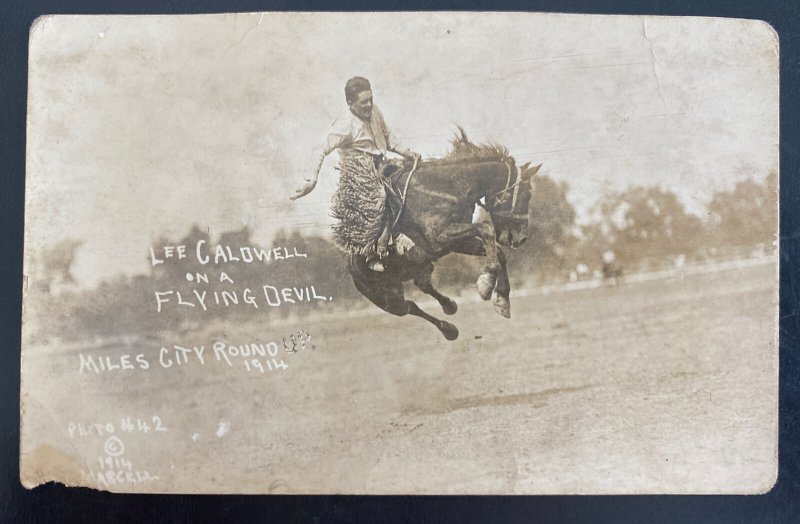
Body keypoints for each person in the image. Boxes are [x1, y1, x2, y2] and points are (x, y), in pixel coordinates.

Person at [291, 77, 419, 271]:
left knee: (409, 184)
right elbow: (320, 148)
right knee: (380, 196)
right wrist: (312, 179)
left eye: (371, 99)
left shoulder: (375, 111)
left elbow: (388, 137)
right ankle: (373, 253)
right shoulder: (344, 125)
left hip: (381, 165)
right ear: (350, 103)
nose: (369, 105)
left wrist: (408, 152)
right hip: (358, 173)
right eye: (363, 102)